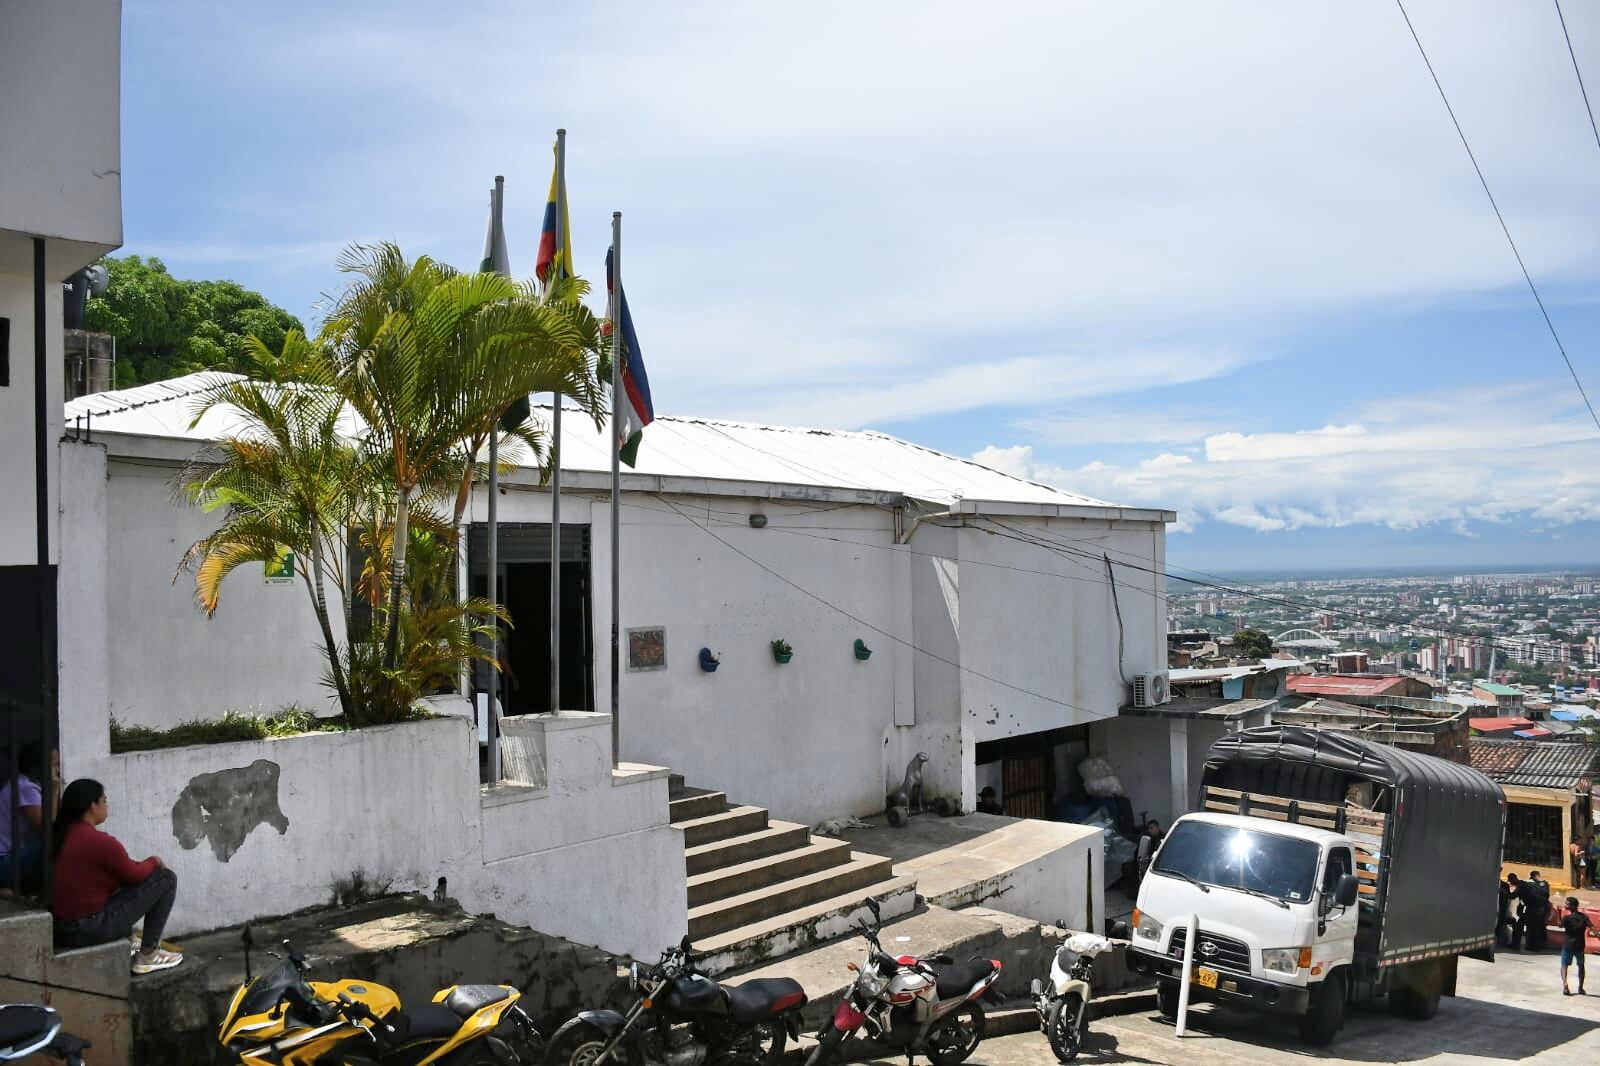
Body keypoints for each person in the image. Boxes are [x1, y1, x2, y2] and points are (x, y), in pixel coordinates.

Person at [50, 779, 182, 974]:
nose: (106, 805)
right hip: (86, 929)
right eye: (104, 800)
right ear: (92, 806)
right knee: (165, 878)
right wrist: (153, 861)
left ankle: (130, 939)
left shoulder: (61, 835)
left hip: (61, 929)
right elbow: (135, 875)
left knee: (120, 887)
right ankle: (148, 954)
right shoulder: (99, 842)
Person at [0, 747, 58, 892]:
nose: (58, 770)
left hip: (10, 858)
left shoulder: (21, 783)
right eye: (54, 765)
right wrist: (54, 789)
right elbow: (49, 831)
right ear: (38, 766)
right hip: (4, 863)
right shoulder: (25, 788)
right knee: (55, 843)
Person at [1560, 896, 1592, 996]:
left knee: (1564, 965)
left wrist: (1558, 913)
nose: (1565, 905)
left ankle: (1565, 984)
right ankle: (1580, 988)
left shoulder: (1567, 918)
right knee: (1581, 966)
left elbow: (1559, 925)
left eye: (1567, 903)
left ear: (1572, 906)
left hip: (1568, 945)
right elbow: (1592, 927)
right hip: (1580, 945)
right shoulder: (1584, 917)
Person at [1525, 871, 1553, 952]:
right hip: (1542, 909)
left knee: (1531, 927)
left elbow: (1527, 897)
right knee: (1539, 927)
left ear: (1534, 876)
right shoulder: (1545, 884)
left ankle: (1531, 945)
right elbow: (1547, 896)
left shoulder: (1531, 885)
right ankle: (1537, 945)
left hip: (1533, 909)